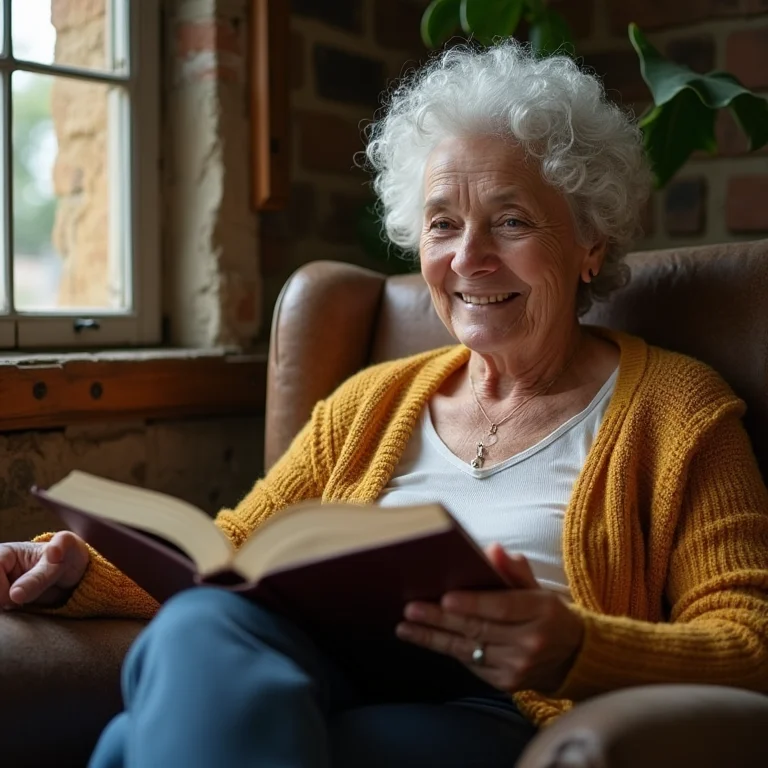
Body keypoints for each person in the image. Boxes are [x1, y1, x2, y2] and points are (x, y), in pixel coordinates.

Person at [2, 41, 768, 768]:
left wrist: (575, 646)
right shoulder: (369, 401)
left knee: (136, 741)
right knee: (203, 620)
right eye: (443, 224)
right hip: (321, 672)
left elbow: (750, 639)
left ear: (590, 242)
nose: (468, 257)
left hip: (492, 711)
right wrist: (80, 569)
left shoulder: (677, 410)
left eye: (510, 221)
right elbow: (232, 554)